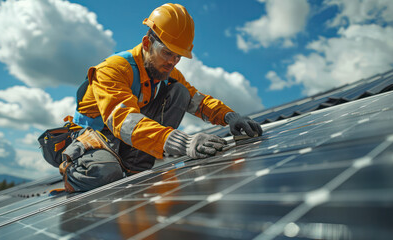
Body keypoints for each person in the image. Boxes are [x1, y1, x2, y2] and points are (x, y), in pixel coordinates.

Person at [59, 3, 263, 192]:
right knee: (105, 173)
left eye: (178, 57)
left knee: (180, 91)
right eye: (167, 53)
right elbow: (124, 121)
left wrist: (230, 117)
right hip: (96, 136)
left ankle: (135, 168)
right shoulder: (113, 69)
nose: (173, 62)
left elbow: (197, 101)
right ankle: (73, 169)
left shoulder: (167, 72)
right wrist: (183, 143)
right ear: (147, 43)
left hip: (127, 136)